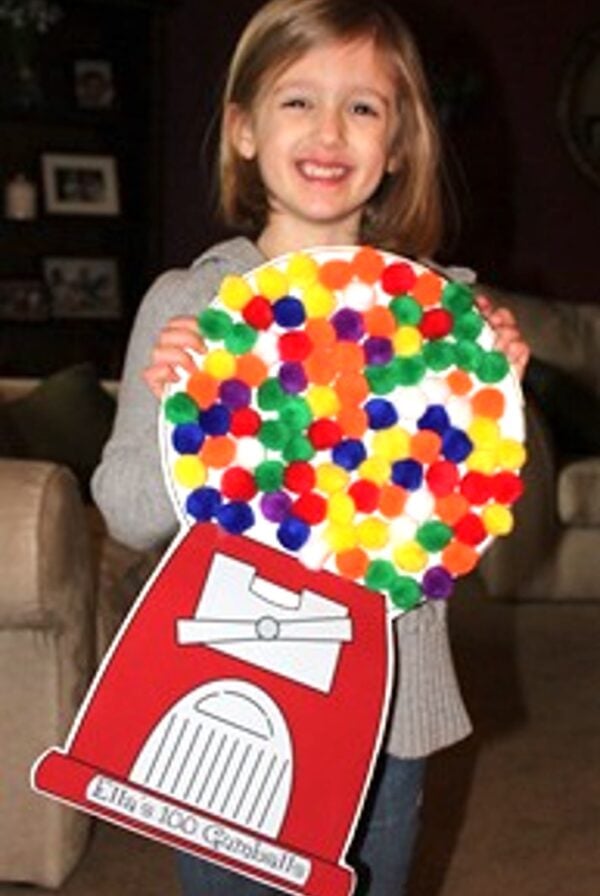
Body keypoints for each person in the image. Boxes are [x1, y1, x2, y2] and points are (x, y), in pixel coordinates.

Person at [92, 1, 529, 893]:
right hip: (226, 685)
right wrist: (189, 419)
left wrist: (492, 406)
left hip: (387, 710)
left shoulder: (442, 315)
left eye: (364, 107)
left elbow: (477, 537)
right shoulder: (191, 304)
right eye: (298, 101)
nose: (331, 131)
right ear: (243, 130)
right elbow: (126, 510)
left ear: (400, 142)